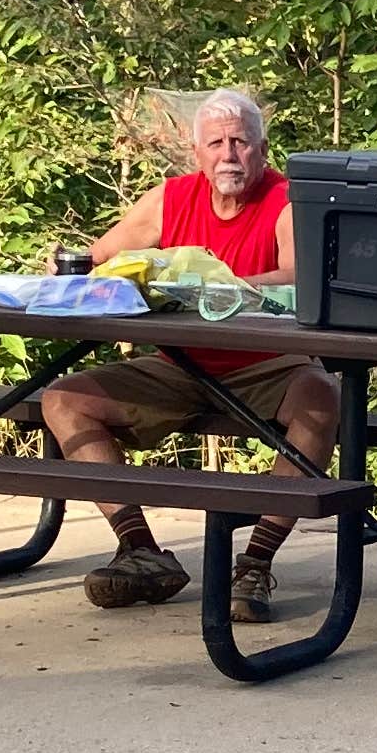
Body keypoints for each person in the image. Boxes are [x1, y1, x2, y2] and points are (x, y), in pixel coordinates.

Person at [39, 87, 338, 617]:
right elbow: (100, 256)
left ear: (262, 150)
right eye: (217, 143)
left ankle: (255, 563)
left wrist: (216, 288)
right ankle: (141, 552)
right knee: (63, 399)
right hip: (180, 363)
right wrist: (68, 265)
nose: (229, 154)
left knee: (322, 396)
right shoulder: (170, 198)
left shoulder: (286, 200)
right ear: (196, 153)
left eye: (241, 142)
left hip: (268, 363)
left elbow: (300, 275)